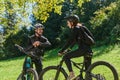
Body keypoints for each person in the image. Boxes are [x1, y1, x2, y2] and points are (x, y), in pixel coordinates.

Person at [58, 15, 94, 80]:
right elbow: (74, 41)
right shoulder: (81, 27)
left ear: (72, 22)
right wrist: (68, 50)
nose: (67, 24)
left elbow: (70, 41)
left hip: (83, 50)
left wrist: (61, 50)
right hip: (88, 50)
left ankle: (71, 74)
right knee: (88, 74)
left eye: (68, 22)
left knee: (66, 57)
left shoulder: (76, 28)